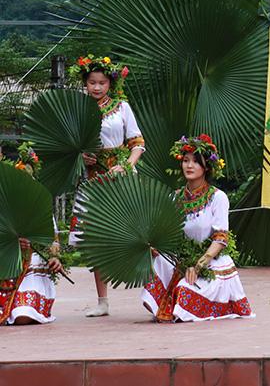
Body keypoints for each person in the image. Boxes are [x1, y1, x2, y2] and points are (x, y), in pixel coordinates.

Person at [141, 135, 252, 322]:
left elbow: (220, 239)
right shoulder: (175, 197)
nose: (189, 166)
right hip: (181, 260)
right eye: (185, 161)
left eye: (195, 162)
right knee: (158, 260)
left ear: (206, 167)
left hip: (211, 261)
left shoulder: (218, 198)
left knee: (185, 292)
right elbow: (166, 233)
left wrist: (198, 266)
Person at [68, 55, 144, 318]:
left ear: (110, 84)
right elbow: (68, 148)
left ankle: (157, 292)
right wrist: (81, 155)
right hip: (92, 180)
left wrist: (126, 165)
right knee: (95, 240)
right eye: (92, 82)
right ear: (85, 83)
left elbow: (137, 143)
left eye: (101, 82)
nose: (97, 87)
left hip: (121, 178)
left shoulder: (122, 107)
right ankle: (103, 301)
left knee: (140, 236)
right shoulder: (77, 109)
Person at [0, 142, 62, 324]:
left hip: (29, 264)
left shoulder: (35, 201)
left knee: (23, 315)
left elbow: (52, 238)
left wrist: (55, 258)